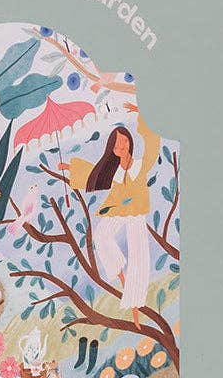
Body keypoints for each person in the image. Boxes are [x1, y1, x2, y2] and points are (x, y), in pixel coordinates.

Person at [58, 105, 160, 320]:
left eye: (124, 141)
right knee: (101, 235)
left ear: (130, 141)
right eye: (116, 144)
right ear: (111, 149)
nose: (121, 146)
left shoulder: (140, 166)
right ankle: (119, 272)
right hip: (118, 210)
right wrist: (69, 168)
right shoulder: (114, 171)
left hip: (136, 213)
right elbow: (93, 172)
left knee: (139, 254)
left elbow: (152, 143)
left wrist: (142, 114)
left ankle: (135, 302)